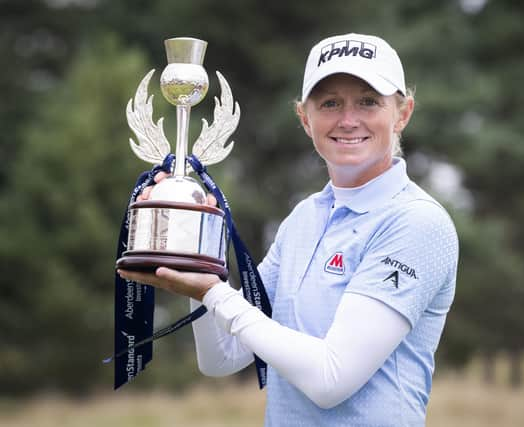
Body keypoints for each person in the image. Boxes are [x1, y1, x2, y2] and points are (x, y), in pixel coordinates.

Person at [118, 33, 459, 427]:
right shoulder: (303, 218)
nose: (348, 120)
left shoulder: (417, 222)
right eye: (330, 102)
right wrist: (200, 259)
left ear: (402, 113)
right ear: (304, 117)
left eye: (368, 101)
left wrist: (213, 292)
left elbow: (331, 379)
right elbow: (223, 357)